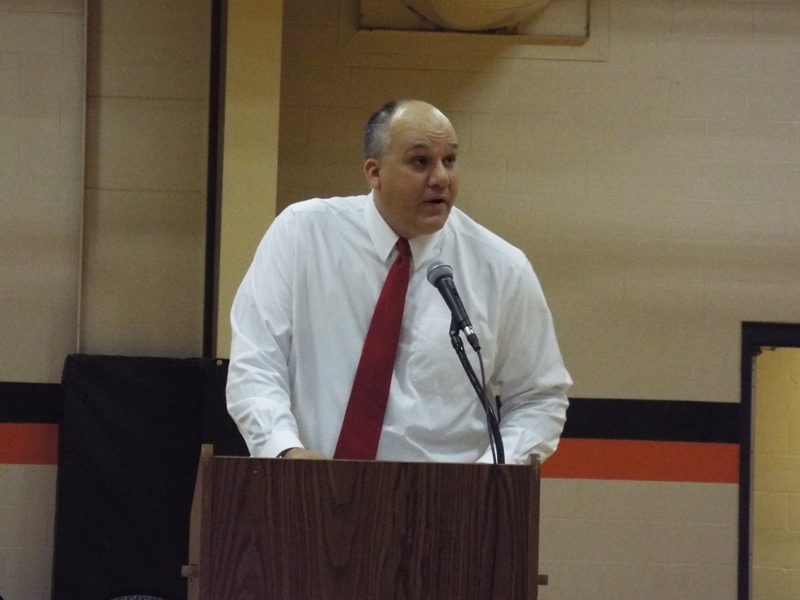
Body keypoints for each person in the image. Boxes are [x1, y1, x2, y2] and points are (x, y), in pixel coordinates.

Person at [226, 99, 571, 464]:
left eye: (450, 160)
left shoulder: (501, 267)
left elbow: (539, 397)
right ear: (374, 173)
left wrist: (488, 476)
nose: (441, 178)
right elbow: (256, 364)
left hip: (450, 495)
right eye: (420, 161)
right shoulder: (303, 234)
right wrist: (284, 450)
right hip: (314, 486)